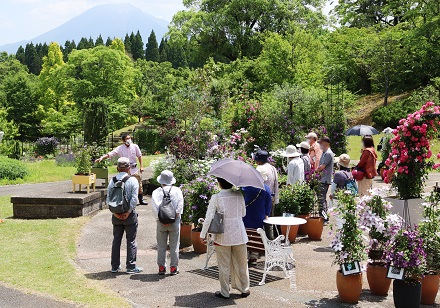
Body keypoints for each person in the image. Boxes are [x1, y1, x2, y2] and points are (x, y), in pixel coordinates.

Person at [200, 177, 250, 299]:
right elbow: (243, 213)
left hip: (223, 234)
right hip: (239, 233)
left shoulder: (216, 197)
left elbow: (209, 217)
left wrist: (203, 234)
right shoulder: (239, 195)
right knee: (242, 263)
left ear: (219, 183)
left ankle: (225, 292)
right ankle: (245, 289)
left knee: (223, 265)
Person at [107, 157, 143, 274]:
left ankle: (115, 266)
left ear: (117, 168)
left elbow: (108, 199)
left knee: (116, 240)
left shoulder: (112, 181)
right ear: (129, 168)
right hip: (129, 215)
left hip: (116, 215)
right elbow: (134, 199)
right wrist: (128, 212)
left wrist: (115, 213)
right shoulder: (133, 181)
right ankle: (131, 266)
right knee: (131, 240)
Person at [96, 134, 147, 205]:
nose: (129, 140)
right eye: (127, 138)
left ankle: (141, 199)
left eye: (129, 138)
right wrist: (102, 157)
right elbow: (111, 153)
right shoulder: (120, 148)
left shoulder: (135, 146)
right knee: (126, 184)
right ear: (123, 140)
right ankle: (125, 200)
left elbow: (139, 156)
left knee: (138, 184)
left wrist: (141, 166)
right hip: (125, 170)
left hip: (134, 169)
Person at [151, 170, 184, 276]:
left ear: (161, 180)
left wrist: (160, 220)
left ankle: (161, 267)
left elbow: (155, 209)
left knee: (161, 246)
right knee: (174, 246)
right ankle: (174, 267)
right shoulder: (177, 190)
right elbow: (180, 207)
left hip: (160, 223)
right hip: (174, 222)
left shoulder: (156, 192)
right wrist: (174, 218)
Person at [242, 185, 272, 265]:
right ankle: (254, 256)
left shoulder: (245, 187)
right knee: (257, 235)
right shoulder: (266, 188)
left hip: (245, 215)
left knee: (245, 234)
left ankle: (245, 254)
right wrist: (267, 213)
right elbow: (268, 204)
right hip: (259, 216)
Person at [315, 137, 334, 219]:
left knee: (321, 199)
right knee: (321, 199)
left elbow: (322, 167)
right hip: (322, 179)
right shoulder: (324, 152)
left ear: (326, 144)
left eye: (321, 143)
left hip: (324, 179)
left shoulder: (328, 153)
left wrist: (314, 172)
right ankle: (324, 217)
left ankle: (324, 217)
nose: (320, 145)